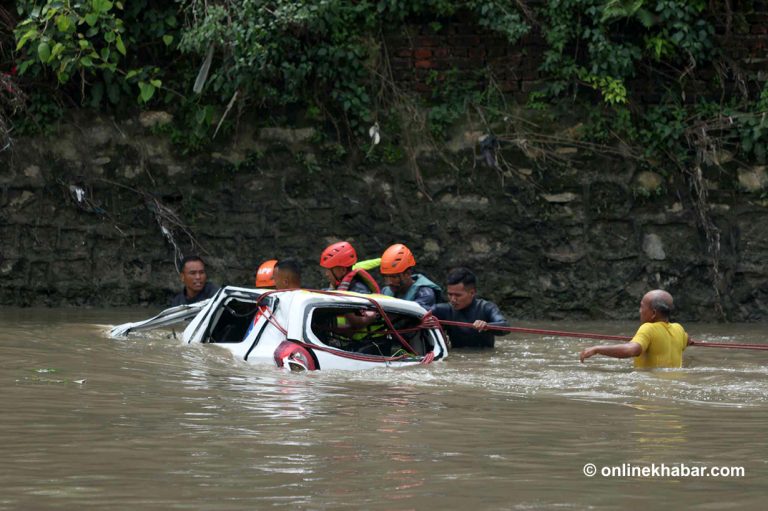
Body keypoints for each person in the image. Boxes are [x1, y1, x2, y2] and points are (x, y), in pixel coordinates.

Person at [579, 289, 691, 369]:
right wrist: (688, 341)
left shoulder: (648, 328)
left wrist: (597, 349)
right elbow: (688, 340)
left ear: (653, 313)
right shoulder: (679, 329)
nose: (640, 311)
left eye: (642, 307)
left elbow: (631, 350)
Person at [431, 267, 508, 348]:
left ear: (472, 293)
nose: (453, 299)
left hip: (484, 357)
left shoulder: (486, 307)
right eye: (450, 294)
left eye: (458, 295)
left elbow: (506, 327)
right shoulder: (442, 310)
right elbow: (422, 316)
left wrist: (486, 325)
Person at [380, 243, 442, 310]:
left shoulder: (425, 293)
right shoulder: (385, 291)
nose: (389, 282)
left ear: (407, 274)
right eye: (386, 277)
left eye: (394, 277)